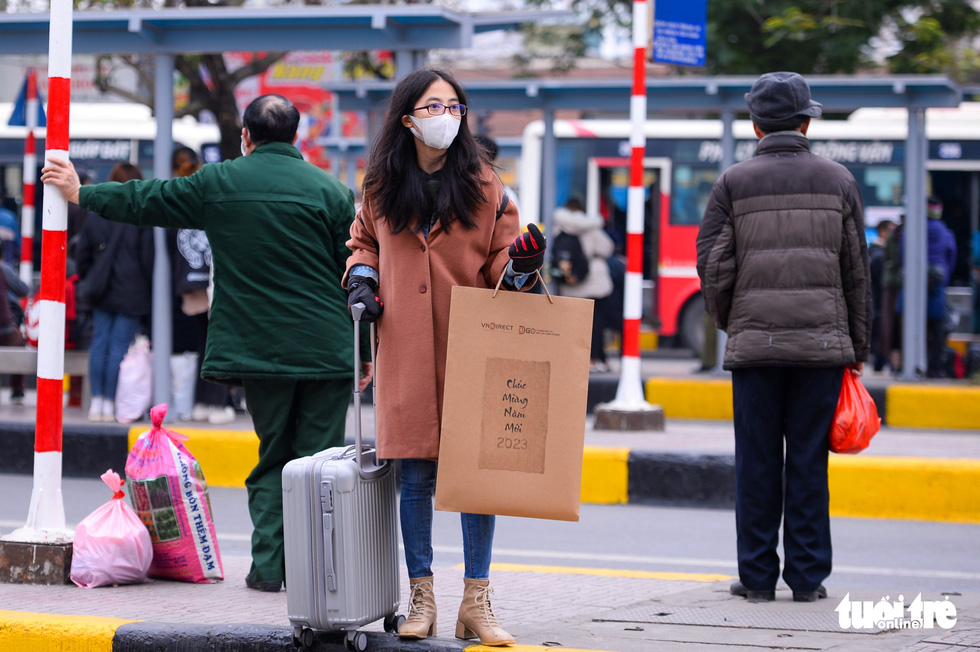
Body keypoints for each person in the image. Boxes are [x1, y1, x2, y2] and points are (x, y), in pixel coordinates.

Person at [42, 94, 360, 594]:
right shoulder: (332, 192)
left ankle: (268, 569)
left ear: (246, 137)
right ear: (295, 137)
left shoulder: (220, 182)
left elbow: (147, 198)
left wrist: (83, 193)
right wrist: (368, 350)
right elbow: (357, 269)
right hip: (328, 348)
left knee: (275, 454)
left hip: (261, 350)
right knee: (319, 461)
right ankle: (318, 574)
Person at [344, 67, 544, 647]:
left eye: (455, 106)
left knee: (476, 480)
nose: (447, 117)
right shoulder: (380, 188)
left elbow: (507, 271)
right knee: (415, 476)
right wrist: (360, 278)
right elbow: (363, 243)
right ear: (408, 119)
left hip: (472, 350)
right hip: (405, 349)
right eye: (434, 108)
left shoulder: (485, 189)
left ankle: (477, 601)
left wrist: (525, 263)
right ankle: (422, 596)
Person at [696, 72, 870, 604]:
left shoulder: (733, 182)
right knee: (809, 463)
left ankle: (755, 579)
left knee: (757, 462)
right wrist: (857, 350)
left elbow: (713, 265)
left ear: (754, 125)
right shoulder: (839, 180)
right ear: (806, 120)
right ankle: (808, 579)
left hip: (756, 352)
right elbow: (856, 271)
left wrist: (737, 323)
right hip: (821, 353)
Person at [72, 162, 154, 422]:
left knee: (100, 344)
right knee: (118, 347)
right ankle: (112, 402)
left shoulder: (96, 215)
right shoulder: (142, 216)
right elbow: (149, 259)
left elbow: (81, 254)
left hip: (101, 290)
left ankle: (97, 403)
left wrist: (91, 277)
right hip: (132, 291)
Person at [168, 146, 234, 424]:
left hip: (187, 286)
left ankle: (200, 403)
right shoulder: (210, 195)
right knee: (216, 345)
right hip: (212, 282)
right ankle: (215, 405)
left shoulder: (173, 196)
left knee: (203, 344)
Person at [552, 197, 615, 372]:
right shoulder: (591, 227)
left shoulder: (559, 226)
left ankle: (576, 360)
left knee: (574, 326)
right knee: (596, 324)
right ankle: (597, 359)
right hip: (595, 283)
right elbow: (607, 248)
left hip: (571, 284)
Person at [923, 197, 957, 377]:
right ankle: (935, 366)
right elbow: (951, 257)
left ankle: (913, 363)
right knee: (937, 329)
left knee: (916, 328)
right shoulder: (945, 232)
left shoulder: (913, 230)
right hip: (937, 288)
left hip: (916, 289)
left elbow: (903, 255)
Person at [869, 219, 894, 372]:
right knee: (880, 331)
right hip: (878, 300)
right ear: (883, 232)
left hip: (875, 300)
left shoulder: (872, 250)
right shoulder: (879, 254)